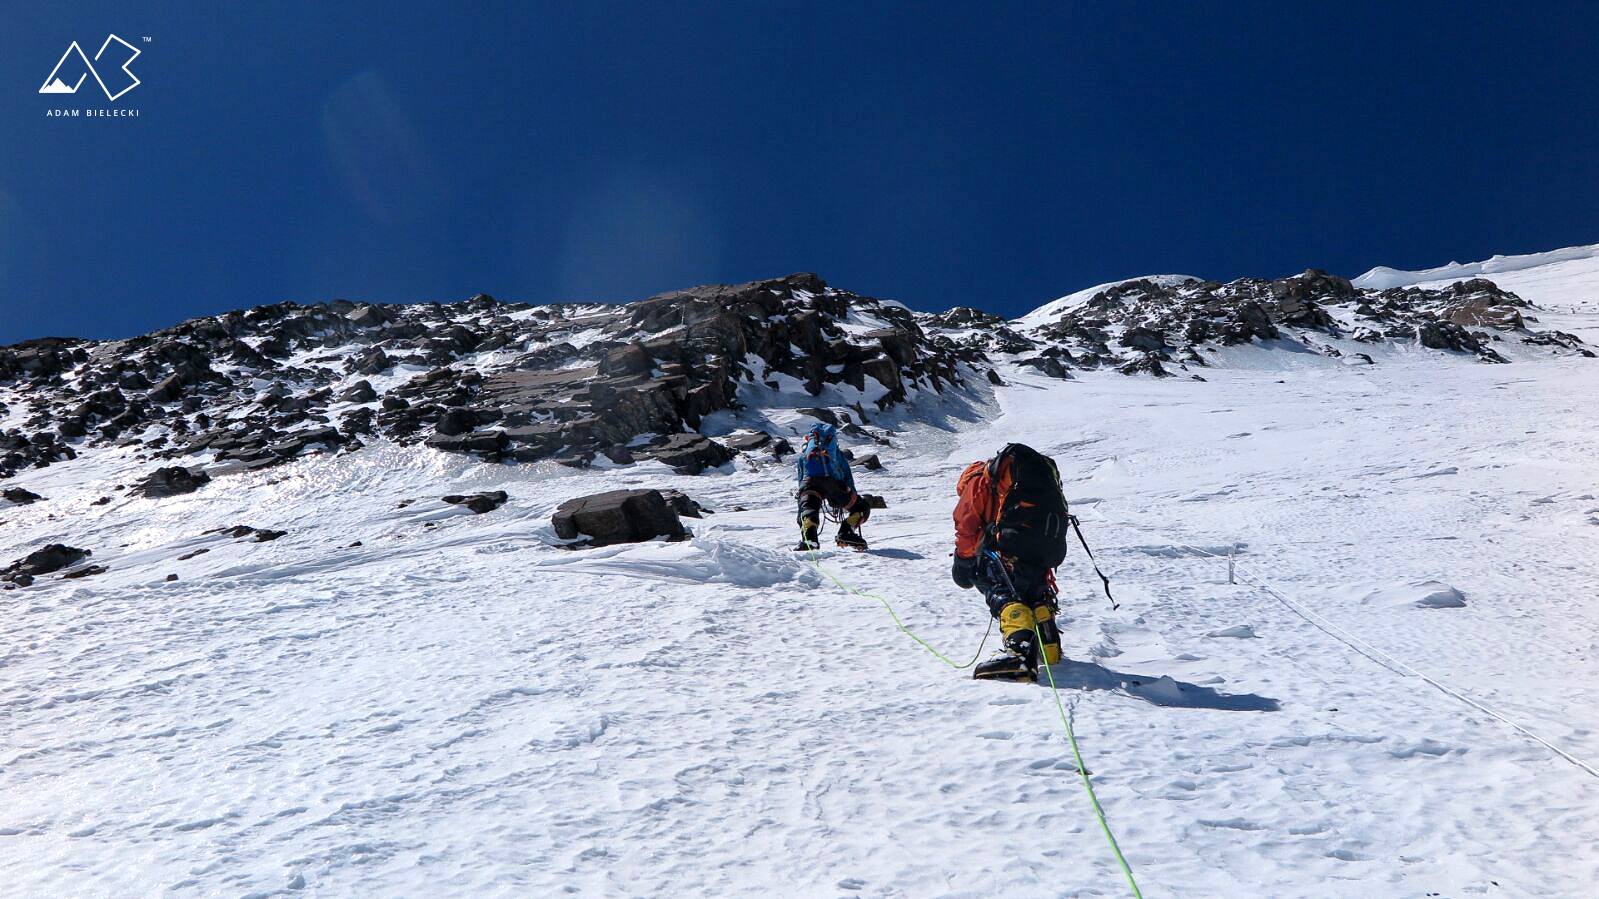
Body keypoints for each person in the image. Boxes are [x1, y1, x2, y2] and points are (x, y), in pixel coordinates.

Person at [950, 443, 1069, 681]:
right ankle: (1048, 645)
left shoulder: (977, 482)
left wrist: (963, 563)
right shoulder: (1020, 479)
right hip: (1047, 543)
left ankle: (1019, 652)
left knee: (998, 583)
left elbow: (966, 525)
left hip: (1014, 542)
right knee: (1030, 584)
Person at [794, 422, 870, 551]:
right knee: (862, 507)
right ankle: (846, 533)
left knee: (808, 509)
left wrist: (802, 497)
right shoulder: (836, 453)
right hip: (834, 485)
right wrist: (850, 492)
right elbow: (846, 474)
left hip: (809, 483)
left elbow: (801, 478)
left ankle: (810, 539)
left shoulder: (804, 455)